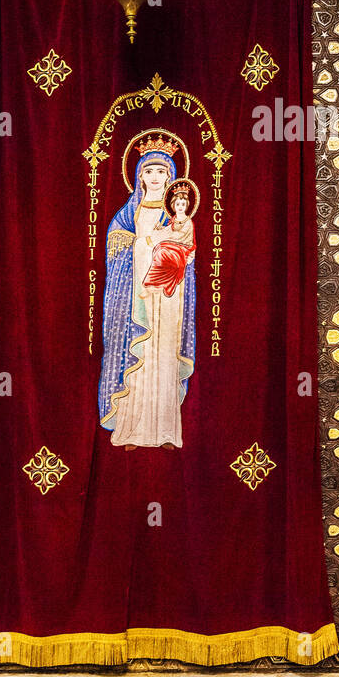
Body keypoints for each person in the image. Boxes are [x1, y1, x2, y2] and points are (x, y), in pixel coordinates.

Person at [98, 138, 197, 452]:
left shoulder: (177, 215)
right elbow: (119, 250)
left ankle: (166, 430)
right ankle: (132, 430)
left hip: (167, 297)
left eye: (161, 170)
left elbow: (186, 252)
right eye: (149, 170)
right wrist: (145, 246)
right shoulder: (128, 214)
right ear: (139, 176)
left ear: (170, 176)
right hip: (136, 296)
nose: (154, 176)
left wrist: (168, 250)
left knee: (163, 358)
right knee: (138, 359)